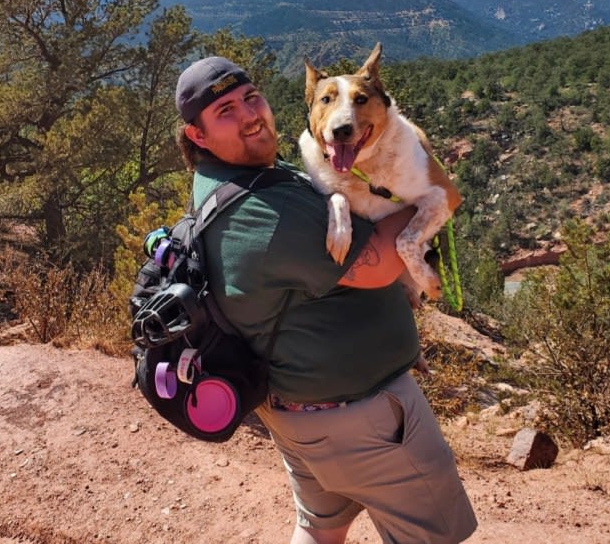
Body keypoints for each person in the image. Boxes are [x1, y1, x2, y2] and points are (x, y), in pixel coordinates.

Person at [175, 55, 478, 544]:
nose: (250, 114)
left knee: (321, 525)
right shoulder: (266, 212)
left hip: (299, 414)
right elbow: (379, 263)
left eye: (252, 98)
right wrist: (431, 189)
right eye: (226, 111)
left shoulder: (231, 184)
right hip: (360, 418)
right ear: (198, 137)